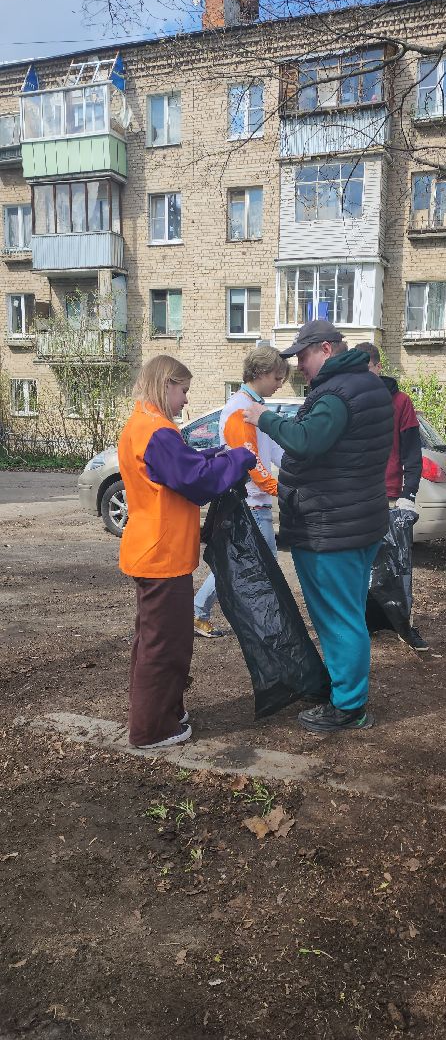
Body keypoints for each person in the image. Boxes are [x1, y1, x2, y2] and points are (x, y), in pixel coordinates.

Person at [242, 318, 393, 734]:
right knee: (346, 614)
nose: (299, 366)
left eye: (302, 356)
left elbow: (307, 440)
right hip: (355, 520)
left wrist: (263, 417)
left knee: (338, 617)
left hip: (331, 528)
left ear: (326, 349)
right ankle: (346, 690)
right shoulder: (368, 386)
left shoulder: (337, 393)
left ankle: (348, 706)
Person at [118, 355, 255, 750]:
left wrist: (216, 456)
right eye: (183, 391)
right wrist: (239, 457)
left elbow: (181, 469)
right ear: (166, 385)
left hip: (149, 549)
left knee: (153, 639)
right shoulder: (159, 431)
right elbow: (195, 482)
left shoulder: (140, 425)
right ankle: (152, 728)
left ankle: (164, 710)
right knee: (165, 644)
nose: (186, 401)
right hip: (162, 555)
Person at [193, 345, 288, 637]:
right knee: (249, 562)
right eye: (277, 377)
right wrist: (277, 489)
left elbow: (272, 451)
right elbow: (248, 457)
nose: (280, 383)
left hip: (255, 500)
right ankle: (201, 612)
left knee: (242, 561)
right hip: (249, 501)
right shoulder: (241, 408)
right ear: (260, 372)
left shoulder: (253, 405)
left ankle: (199, 611)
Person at [356, 341, 428, 651]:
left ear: (378, 367)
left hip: (389, 496)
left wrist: (408, 493)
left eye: (367, 368)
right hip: (358, 496)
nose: (363, 375)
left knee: (396, 567)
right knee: (359, 566)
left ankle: (402, 624)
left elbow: (412, 450)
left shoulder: (400, 402)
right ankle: (364, 623)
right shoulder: (350, 399)